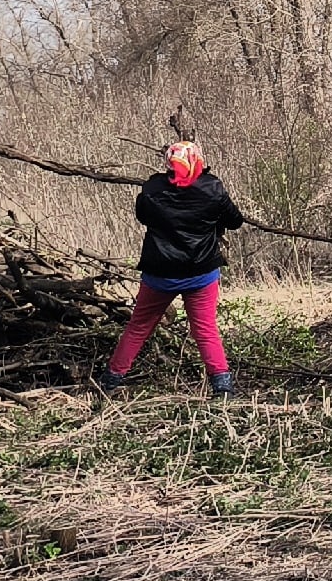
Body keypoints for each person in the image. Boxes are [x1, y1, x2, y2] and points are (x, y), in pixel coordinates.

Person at [101, 140, 245, 395]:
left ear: (169, 162)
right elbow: (235, 221)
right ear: (197, 160)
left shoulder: (152, 188)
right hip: (201, 272)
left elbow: (143, 216)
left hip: (160, 273)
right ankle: (222, 387)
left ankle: (111, 381)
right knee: (205, 329)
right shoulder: (212, 188)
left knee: (138, 327)